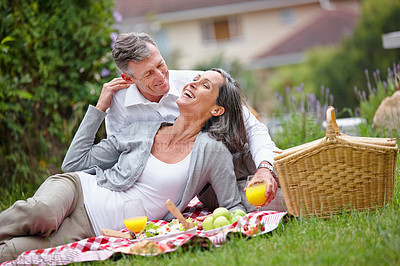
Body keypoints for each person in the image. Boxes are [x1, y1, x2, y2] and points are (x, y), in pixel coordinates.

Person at [0, 68, 246, 263]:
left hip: (91, 227)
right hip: (78, 190)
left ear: (217, 109)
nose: (192, 83)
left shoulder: (212, 150)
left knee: (11, 252)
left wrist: (265, 175)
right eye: (195, 78)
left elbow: (232, 207)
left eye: (205, 85)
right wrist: (100, 108)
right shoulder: (142, 129)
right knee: (42, 213)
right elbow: (74, 163)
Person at [103, 32, 284, 212]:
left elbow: (253, 128)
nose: (160, 76)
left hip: (238, 156)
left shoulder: (195, 82)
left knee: (285, 170)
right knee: (276, 200)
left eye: (160, 64)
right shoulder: (119, 104)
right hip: (206, 184)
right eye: (149, 73)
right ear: (128, 78)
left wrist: (265, 168)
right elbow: (118, 160)